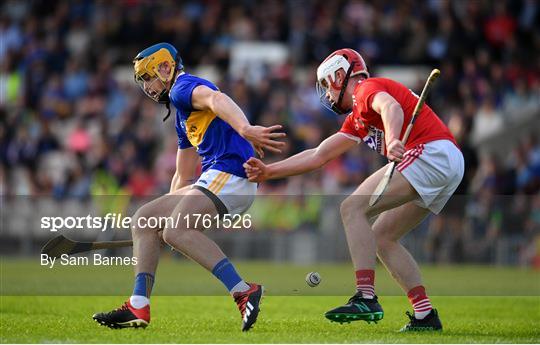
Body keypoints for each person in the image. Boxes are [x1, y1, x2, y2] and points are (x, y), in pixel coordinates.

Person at [244, 48, 464, 332]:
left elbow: (391, 107)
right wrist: (269, 171)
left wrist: (394, 140)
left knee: (351, 207)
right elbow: (319, 155)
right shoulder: (359, 116)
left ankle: (366, 297)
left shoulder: (366, 89)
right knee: (383, 238)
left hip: (430, 152)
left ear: (339, 76)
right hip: (447, 162)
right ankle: (425, 315)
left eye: (326, 85)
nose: (325, 94)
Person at [93, 43, 285, 332]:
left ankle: (243, 290)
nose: (146, 86)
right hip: (217, 179)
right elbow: (182, 176)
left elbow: (216, 99)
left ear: (165, 68)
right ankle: (138, 305)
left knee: (176, 230)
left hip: (232, 174)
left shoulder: (183, 88)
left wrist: (246, 129)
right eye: (142, 81)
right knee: (145, 219)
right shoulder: (181, 116)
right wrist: (165, 225)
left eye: (148, 77)